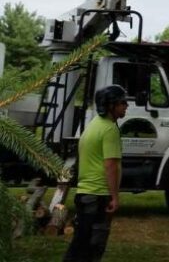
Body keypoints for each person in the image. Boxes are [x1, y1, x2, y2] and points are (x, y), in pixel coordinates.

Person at [64, 85, 127, 262]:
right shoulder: (109, 129)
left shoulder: (93, 125)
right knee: (92, 247)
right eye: (122, 102)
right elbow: (111, 165)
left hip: (86, 194)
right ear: (110, 106)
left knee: (80, 245)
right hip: (98, 195)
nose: (126, 106)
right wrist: (115, 197)